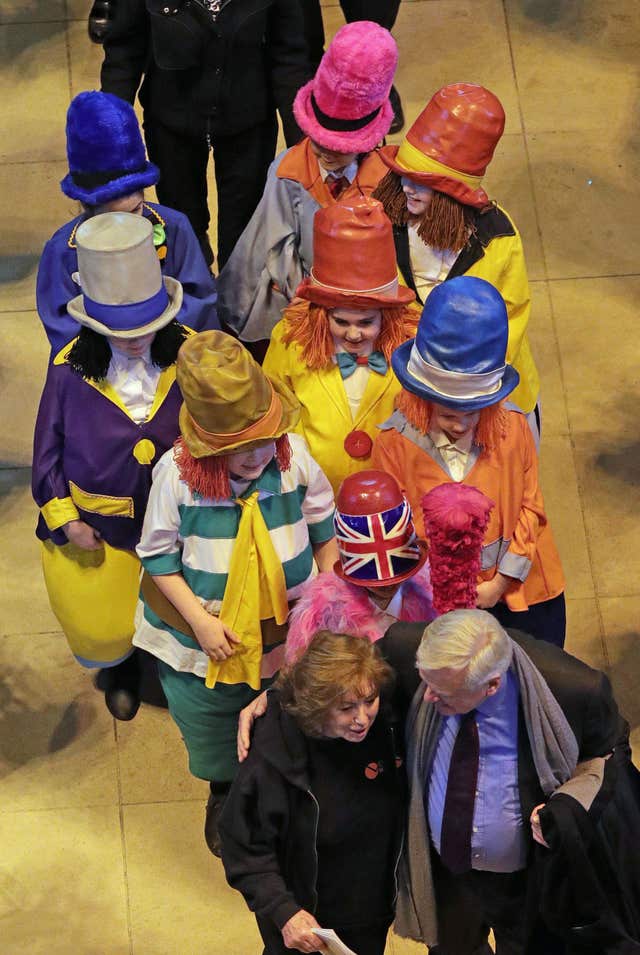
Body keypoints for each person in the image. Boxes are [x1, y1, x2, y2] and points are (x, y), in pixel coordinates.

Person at [132, 331, 338, 855]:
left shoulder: (294, 462)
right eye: (234, 449)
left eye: (262, 441)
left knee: (288, 708)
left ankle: (286, 786)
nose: (253, 457)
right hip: (207, 635)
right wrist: (200, 623)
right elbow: (157, 556)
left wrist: (326, 602)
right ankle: (225, 790)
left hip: (286, 627)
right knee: (211, 717)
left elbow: (323, 529)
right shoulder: (176, 479)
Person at [379, 608, 640, 954]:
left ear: (491, 685)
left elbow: (612, 750)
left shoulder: (576, 689)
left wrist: (567, 801)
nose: (427, 696)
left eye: (443, 693)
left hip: (523, 883)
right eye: (426, 682)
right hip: (447, 873)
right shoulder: (408, 648)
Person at [32, 212, 190, 721]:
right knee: (104, 618)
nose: (134, 340)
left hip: (182, 521)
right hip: (100, 528)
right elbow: (47, 451)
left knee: (186, 604)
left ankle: (172, 663)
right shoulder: (68, 370)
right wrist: (67, 520)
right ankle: (122, 667)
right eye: (119, 331)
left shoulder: (188, 353)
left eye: (146, 328)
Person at [372, 275, 566, 647]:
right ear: (423, 396)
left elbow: (531, 509)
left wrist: (499, 584)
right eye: (447, 414)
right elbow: (397, 531)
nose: (459, 424)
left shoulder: (514, 430)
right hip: (437, 604)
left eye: (472, 412)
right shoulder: (394, 445)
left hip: (523, 595)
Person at [219, 630, 405, 955]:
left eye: (369, 701)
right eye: (346, 707)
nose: (362, 719)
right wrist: (283, 912)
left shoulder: (386, 723)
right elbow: (244, 846)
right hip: (305, 921)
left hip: (370, 912)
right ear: (316, 704)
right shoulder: (272, 757)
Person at [373, 83, 540, 439]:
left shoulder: (497, 239)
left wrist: (460, 386)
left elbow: (511, 319)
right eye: (405, 176)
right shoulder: (384, 219)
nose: (407, 189)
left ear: (455, 194)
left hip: (480, 396)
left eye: (425, 183)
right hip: (405, 386)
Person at [217, 21, 397, 350]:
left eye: (341, 148)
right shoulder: (289, 172)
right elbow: (266, 246)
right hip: (306, 305)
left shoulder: (387, 182)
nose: (327, 155)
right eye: (318, 142)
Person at [100, 0, 311, 269]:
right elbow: (123, 54)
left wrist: (304, 147)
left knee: (243, 239)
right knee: (184, 231)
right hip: (171, 125)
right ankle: (195, 294)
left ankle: (233, 304)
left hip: (248, 123)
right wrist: (110, 140)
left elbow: (290, 57)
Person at [37, 91, 218, 357]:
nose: (133, 225)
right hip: (104, 371)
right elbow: (61, 325)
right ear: (90, 210)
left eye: (136, 209)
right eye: (115, 218)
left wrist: (154, 338)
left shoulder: (174, 228)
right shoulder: (62, 250)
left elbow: (201, 299)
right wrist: (116, 345)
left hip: (171, 358)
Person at [263, 197, 417, 493]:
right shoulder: (291, 340)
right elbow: (276, 408)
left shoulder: (411, 343)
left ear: (388, 316)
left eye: (366, 323)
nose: (354, 335)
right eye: (342, 322)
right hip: (312, 495)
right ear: (322, 314)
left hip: (393, 495)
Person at [285, 469, 434, 661]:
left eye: (396, 577)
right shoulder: (320, 614)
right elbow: (302, 676)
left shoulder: (433, 592)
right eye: (374, 580)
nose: (387, 585)